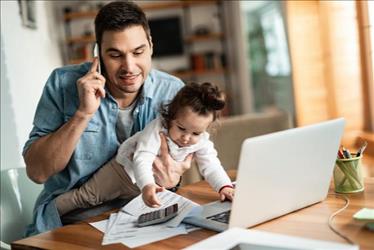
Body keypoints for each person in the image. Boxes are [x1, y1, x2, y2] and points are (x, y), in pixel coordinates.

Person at [23, 1, 192, 236]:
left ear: (151, 45)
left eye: (138, 52)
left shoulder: (172, 91)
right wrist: (83, 113)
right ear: (98, 53)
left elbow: (178, 164)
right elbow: (37, 172)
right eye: (115, 55)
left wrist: (174, 177)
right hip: (74, 220)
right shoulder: (62, 84)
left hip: (145, 215)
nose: (129, 67)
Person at [55, 82, 235, 214]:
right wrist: (148, 185)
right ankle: (52, 211)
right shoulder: (157, 129)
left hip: (146, 187)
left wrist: (224, 187)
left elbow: (211, 165)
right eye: (181, 128)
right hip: (122, 173)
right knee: (86, 197)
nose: (187, 138)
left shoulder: (202, 140)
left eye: (196, 133)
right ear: (170, 118)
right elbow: (142, 158)